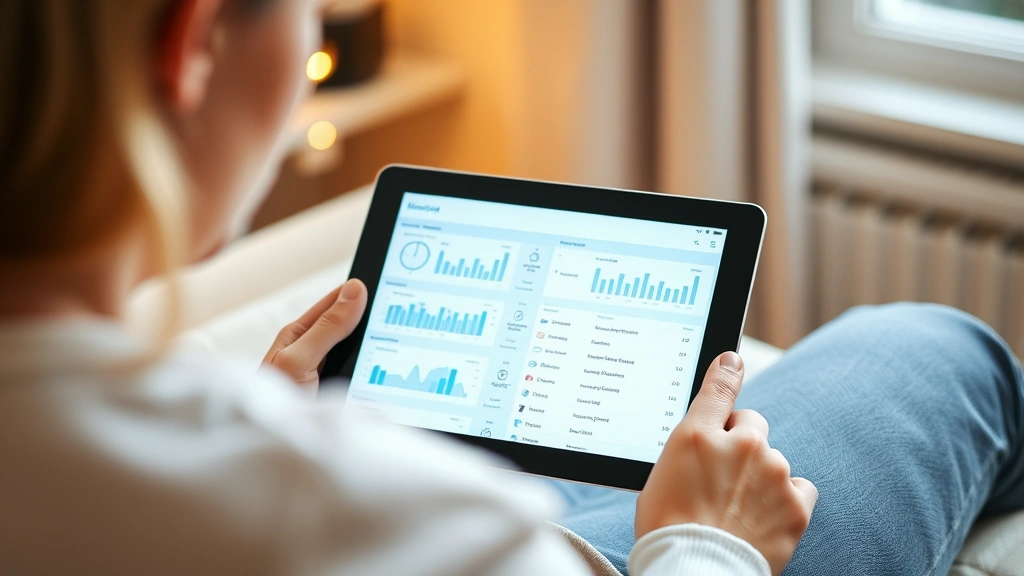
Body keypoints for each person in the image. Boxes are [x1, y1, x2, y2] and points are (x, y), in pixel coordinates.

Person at [0, 1, 1020, 575]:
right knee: (941, 348)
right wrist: (710, 547)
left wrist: (251, 420)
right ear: (196, 44)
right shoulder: (353, 509)